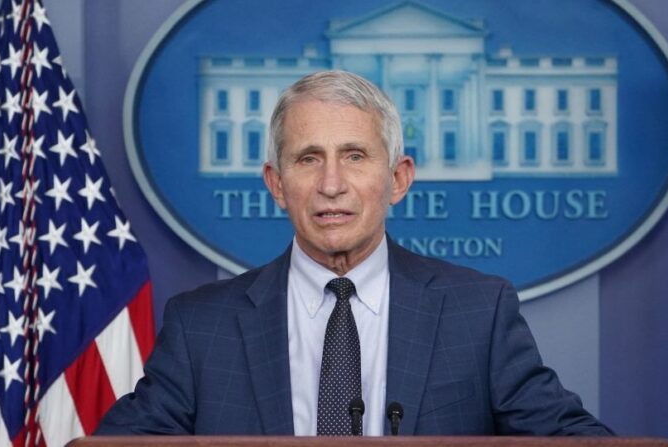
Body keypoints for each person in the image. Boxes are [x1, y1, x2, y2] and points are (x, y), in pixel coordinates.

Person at [96, 70, 613, 436]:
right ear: (277, 184)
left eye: (355, 156)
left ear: (398, 179)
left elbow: (563, 434)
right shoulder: (201, 325)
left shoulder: (478, 311)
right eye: (308, 159)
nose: (331, 184)